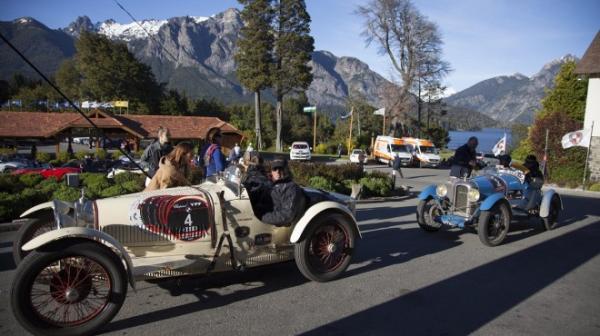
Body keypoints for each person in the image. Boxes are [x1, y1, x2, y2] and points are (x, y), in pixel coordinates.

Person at [261, 159, 306, 227]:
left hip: (276, 226)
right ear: (271, 171)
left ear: (286, 170)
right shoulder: (270, 184)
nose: (278, 172)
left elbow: (287, 215)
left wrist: (262, 216)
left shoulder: (290, 187)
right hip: (267, 219)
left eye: (280, 169)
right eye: (275, 169)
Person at [240, 151, 273, 218]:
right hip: (258, 210)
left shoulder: (256, 179)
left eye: (245, 163)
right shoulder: (255, 176)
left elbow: (250, 195)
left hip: (258, 215)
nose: (244, 165)